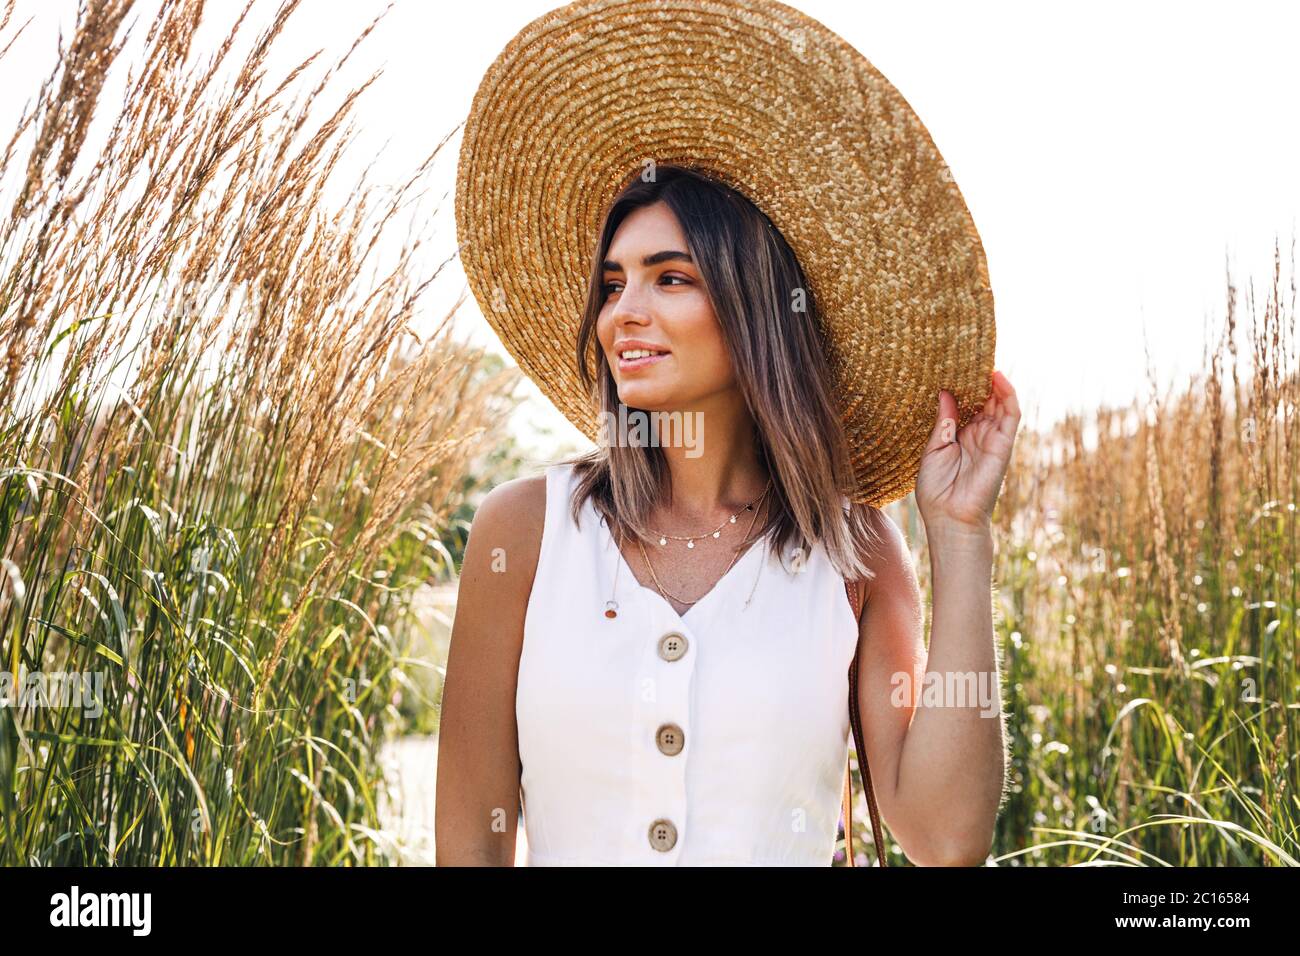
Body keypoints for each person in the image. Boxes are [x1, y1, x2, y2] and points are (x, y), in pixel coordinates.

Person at [437, 0, 1017, 866]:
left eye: (671, 278)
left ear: (757, 308)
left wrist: (960, 537)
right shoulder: (522, 533)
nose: (623, 313)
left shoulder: (856, 551)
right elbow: (471, 846)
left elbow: (946, 834)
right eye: (611, 283)